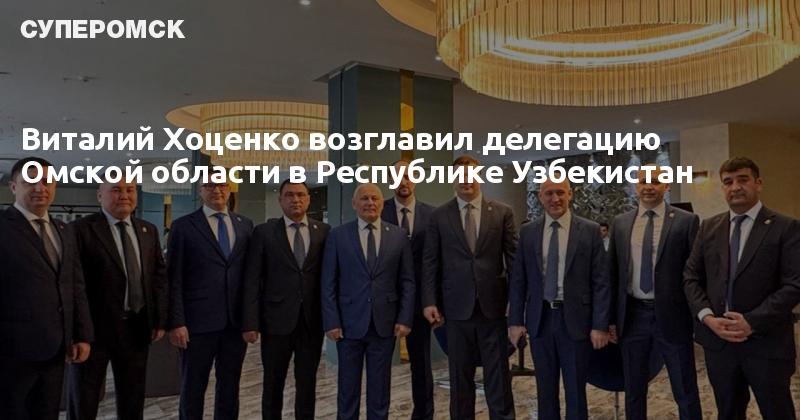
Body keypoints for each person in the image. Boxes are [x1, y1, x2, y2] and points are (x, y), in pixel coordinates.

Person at [684, 157, 800, 420]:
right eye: (728, 182)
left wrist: (752, 321)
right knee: (728, 413)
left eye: (743, 180)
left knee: (778, 413)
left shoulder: (786, 227)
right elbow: (691, 277)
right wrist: (707, 317)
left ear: (758, 183)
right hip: (719, 345)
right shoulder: (709, 227)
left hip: (766, 343)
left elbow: (795, 284)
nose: (735, 187)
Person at [422, 155, 517, 420]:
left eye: (471, 174)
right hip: (455, 310)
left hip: (494, 309)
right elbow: (430, 262)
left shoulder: (502, 212)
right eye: (460, 175)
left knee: (498, 378)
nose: (466, 180)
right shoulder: (439, 216)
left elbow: (514, 261)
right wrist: (429, 301)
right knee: (459, 378)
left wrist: (516, 301)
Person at [508, 178, 610, 420]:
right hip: (540, 320)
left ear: (570, 194)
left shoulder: (589, 230)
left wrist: (600, 324)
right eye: (549, 193)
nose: (555, 199)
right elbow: (519, 279)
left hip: (576, 321)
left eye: (560, 193)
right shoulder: (529, 232)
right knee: (545, 391)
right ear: (540, 197)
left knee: (576, 391)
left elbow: (601, 282)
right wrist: (515, 321)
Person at [0, 157, 93, 420]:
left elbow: (74, 285)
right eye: (31, 181)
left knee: (47, 413)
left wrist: (81, 334)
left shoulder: (63, 229)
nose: (40, 188)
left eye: (47, 181)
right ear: (14, 187)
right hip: (11, 351)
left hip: (56, 349)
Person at [68, 180, 169, 420]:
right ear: (99, 196)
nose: (124, 195)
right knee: (84, 399)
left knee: (132, 398)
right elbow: (73, 284)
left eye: (130, 190)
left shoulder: (147, 230)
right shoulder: (80, 230)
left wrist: (159, 319)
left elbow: (158, 278)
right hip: (94, 331)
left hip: (136, 327)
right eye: (116, 190)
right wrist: (78, 332)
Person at [607, 166, 702, 420]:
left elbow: (695, 273)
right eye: (643, 182)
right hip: (632, 316)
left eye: (656, 181)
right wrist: (610, 319)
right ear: (635, 187)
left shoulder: (686, 221)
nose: (649, 186)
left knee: (685, 388)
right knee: (633, 389)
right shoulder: (621, 223)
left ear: (667, 186)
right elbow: (612, 273)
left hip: (673, 317)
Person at [321, 183, 415, 420]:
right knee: (347, 390)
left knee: (380, 390)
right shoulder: (338, 235)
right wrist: (331, 321)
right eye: (364, 198)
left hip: (384, 325)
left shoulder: (398, 235)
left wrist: (405, 318)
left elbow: (407, 281)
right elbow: (328, 282)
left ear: (382, 204)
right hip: (348, 325)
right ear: (354, 204)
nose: (370, 203)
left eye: (375, 198)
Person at [241, 180, 330, 420]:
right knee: (273, 383)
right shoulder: (264, 233)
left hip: (311, 322)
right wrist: (250, 323)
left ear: (308, 199)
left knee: (307, 384)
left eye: (301, 194)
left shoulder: (323, 232)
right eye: (289, 195)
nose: (295, 199)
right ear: (280, 200)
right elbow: (252, 280)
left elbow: (329, 278)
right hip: (275, 322)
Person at [167, 181, 253, 420]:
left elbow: (250, 277)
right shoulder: (183, 226)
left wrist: (250, 320)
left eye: (222, 186)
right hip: (196, 324)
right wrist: (177, 322)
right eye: (209, 186)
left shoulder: (244, 224)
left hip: (234, 324)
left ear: (230, 189)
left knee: (230, 387)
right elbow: (173, 278)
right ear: (200, 191)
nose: (217, 190)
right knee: (193, 387)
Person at [380, 159, 436, 420]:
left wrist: (434, 300)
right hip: (385, 301)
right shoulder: (379, 211)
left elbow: (436, 262)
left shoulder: (432, 215)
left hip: (420, 303)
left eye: (408, 176)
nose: (403, 182)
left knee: (422, 365)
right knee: (380, 365)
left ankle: (423, 415)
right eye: (397, 176)